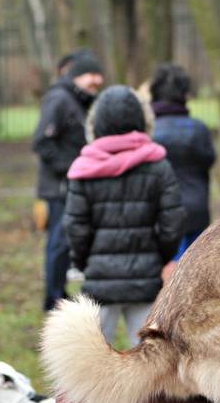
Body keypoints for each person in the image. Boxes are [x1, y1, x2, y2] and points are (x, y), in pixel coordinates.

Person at [64, 85, 186, 347]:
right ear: (142, 120)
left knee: (88, 361)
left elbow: (75, 227)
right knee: (149, 365)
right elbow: (172, 222)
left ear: (96, 123)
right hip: (145, 280)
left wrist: (86, 263)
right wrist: (159, 257)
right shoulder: (158, 164)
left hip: (99, 283)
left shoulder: (83, 169)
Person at [32, 49, 104, 311]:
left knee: (67, 243)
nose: (96, 80)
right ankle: (52, 300)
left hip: (74, 185)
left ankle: (59, 293)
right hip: (59, 187)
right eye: (90, 74)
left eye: (99, 75)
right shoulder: (59, 99)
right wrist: (73, 167)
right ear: (75, 76)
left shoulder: (80, 100)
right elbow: (41, 141)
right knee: (59, 244)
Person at [149, 63, 216, 281]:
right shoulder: (198, 128)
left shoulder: (148, 130)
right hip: (196, 208)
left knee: (168, 272)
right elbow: (208, 160)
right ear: (185, 94)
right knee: (194, 270)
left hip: (162, 211)